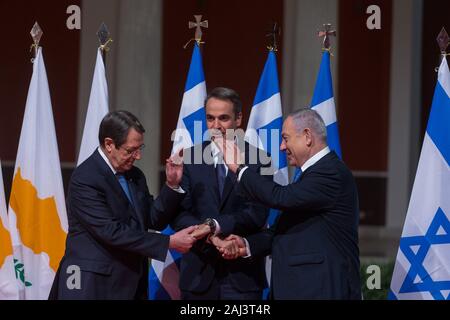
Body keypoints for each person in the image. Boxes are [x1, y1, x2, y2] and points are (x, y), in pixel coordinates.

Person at [215, 107, 361, 300]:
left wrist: (240, 169)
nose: (282, 147)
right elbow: (282, 229)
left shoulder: (330, 172)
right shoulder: (310, 176)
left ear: (307, 136)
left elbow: (280, 197)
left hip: (321, 290)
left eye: (286, 138)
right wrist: (247, 244)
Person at [49, 110, 197, 300]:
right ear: (109, 144)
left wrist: (171, 185)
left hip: (131, 282)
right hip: (93, 284)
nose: (137, 156)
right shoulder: (86, 178)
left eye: (139, 148)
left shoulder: (134, 176)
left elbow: (152, 219)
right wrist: (168, 243)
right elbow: (111, 231)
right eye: (130, 150)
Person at [170, 87, 271, 300]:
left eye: (223, 118)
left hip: (242, 276)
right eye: (210, 118)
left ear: (238, 119)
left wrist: (216, 226)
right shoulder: (189, 157)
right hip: (198, 275)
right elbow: (179, 214)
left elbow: (256, 213)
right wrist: (212, 239)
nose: (215, 126)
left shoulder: (259, 159)